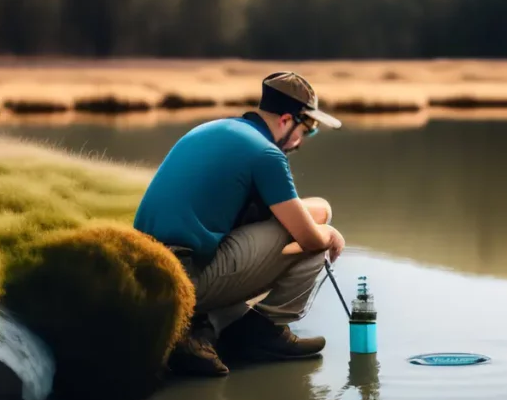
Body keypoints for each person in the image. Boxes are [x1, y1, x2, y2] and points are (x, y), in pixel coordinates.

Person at [133, 71, 347, 377]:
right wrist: (329, 234)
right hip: (184, 281)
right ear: (286, 120)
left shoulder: (216, 130)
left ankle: (219, 325)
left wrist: (322, 214)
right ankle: (260, 333)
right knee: (316, 245)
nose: (302, 141)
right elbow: (309, 239)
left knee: (315, 215)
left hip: (151, 271)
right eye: (308, 128)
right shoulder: (267, 154)